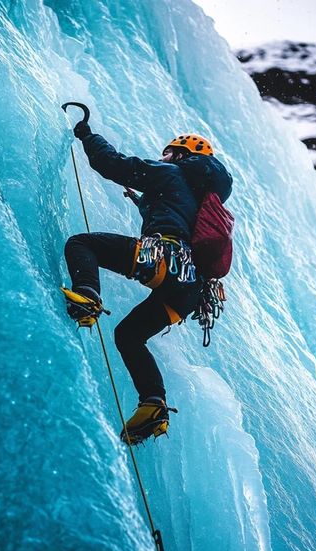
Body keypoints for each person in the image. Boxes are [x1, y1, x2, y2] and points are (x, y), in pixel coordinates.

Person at [63, 120, 233, 444]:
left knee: (81, 244)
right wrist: (141, 198)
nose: (164, 156)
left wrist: (87, 135)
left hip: (164, 260)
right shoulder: (199, 200)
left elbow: (110, 164)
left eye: (168, 152)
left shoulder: (171, 174)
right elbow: (172, 211)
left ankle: (88, 297)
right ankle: (153, 403)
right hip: (188, 293)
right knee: (128, 335)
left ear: (181, 155)